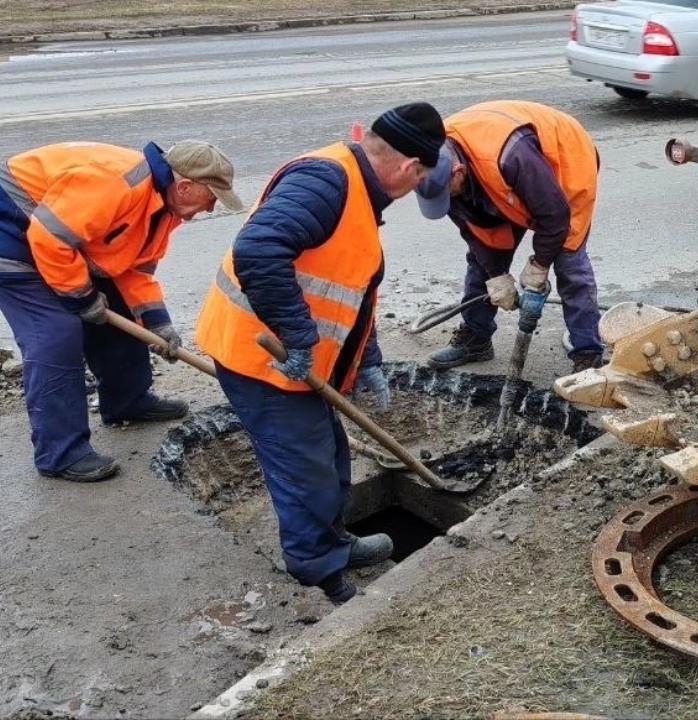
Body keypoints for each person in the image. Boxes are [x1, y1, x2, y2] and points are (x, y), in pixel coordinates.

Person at [195, 103, 445, 603]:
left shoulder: (355, 186)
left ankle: (335, 541)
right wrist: (299, 337)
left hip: (292, 360)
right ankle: (319, 571)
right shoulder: (326, 182)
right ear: (408, 166)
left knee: (328, 453)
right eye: (420, 178)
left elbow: (348, 286)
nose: (416, 187)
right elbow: (259, 250)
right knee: (304, 470)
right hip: (263, 360)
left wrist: (367, 357)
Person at [0, 140, 244, 483]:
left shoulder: (164, 208)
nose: (210, 209)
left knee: (120, 308)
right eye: (211, 198)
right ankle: (61, 453)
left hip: (57, 234)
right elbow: (50, 239)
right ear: (184, 186)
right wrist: (82, 297)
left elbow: (134, 270)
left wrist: (157, 323)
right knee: (56, 331)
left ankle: (127, 402)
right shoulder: (115, 182)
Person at [415, 100, 604, 374]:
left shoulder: (511, 156)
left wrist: (539, 266)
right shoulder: (433, 159)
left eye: (447, 195)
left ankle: (588, 354)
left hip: (565, 163)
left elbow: (554, 218)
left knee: (569, 263)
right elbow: (475, 232)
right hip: (501, 176)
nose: (448, 202)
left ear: (458, 172)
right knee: (481, 260)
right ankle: (476, 337)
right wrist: (496, 276)